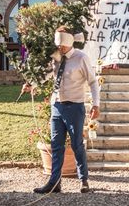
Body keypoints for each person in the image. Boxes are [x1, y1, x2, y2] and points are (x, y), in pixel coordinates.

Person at [32, 26, 100, 194]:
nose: (60, 48)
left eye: (62, 45)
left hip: (74, 106)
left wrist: (95, 104)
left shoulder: (81, 58)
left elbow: (92, 82)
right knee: (56, 145)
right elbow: (46, 75)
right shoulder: (56, 57)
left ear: (69, 42)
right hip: (57, 106)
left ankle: (84, 180)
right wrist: (32, 84)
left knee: (77, 144)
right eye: (58, 45)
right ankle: (54, 182)